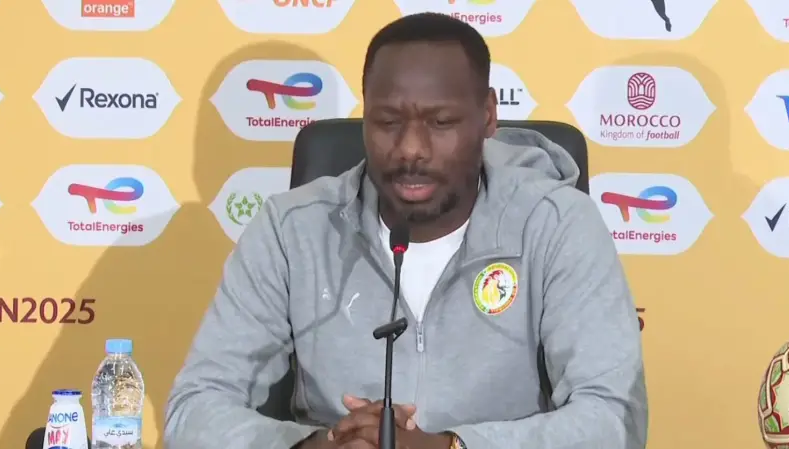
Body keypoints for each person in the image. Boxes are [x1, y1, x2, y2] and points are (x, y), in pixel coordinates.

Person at [164, 12, 647, 449]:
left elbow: (614, 421)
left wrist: (451, 448)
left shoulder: (556, 224)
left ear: (487, 117)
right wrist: (317, 447)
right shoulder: (290, 230)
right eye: (388, 121)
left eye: (441, 122)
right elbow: (193, 411)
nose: (410, 148)